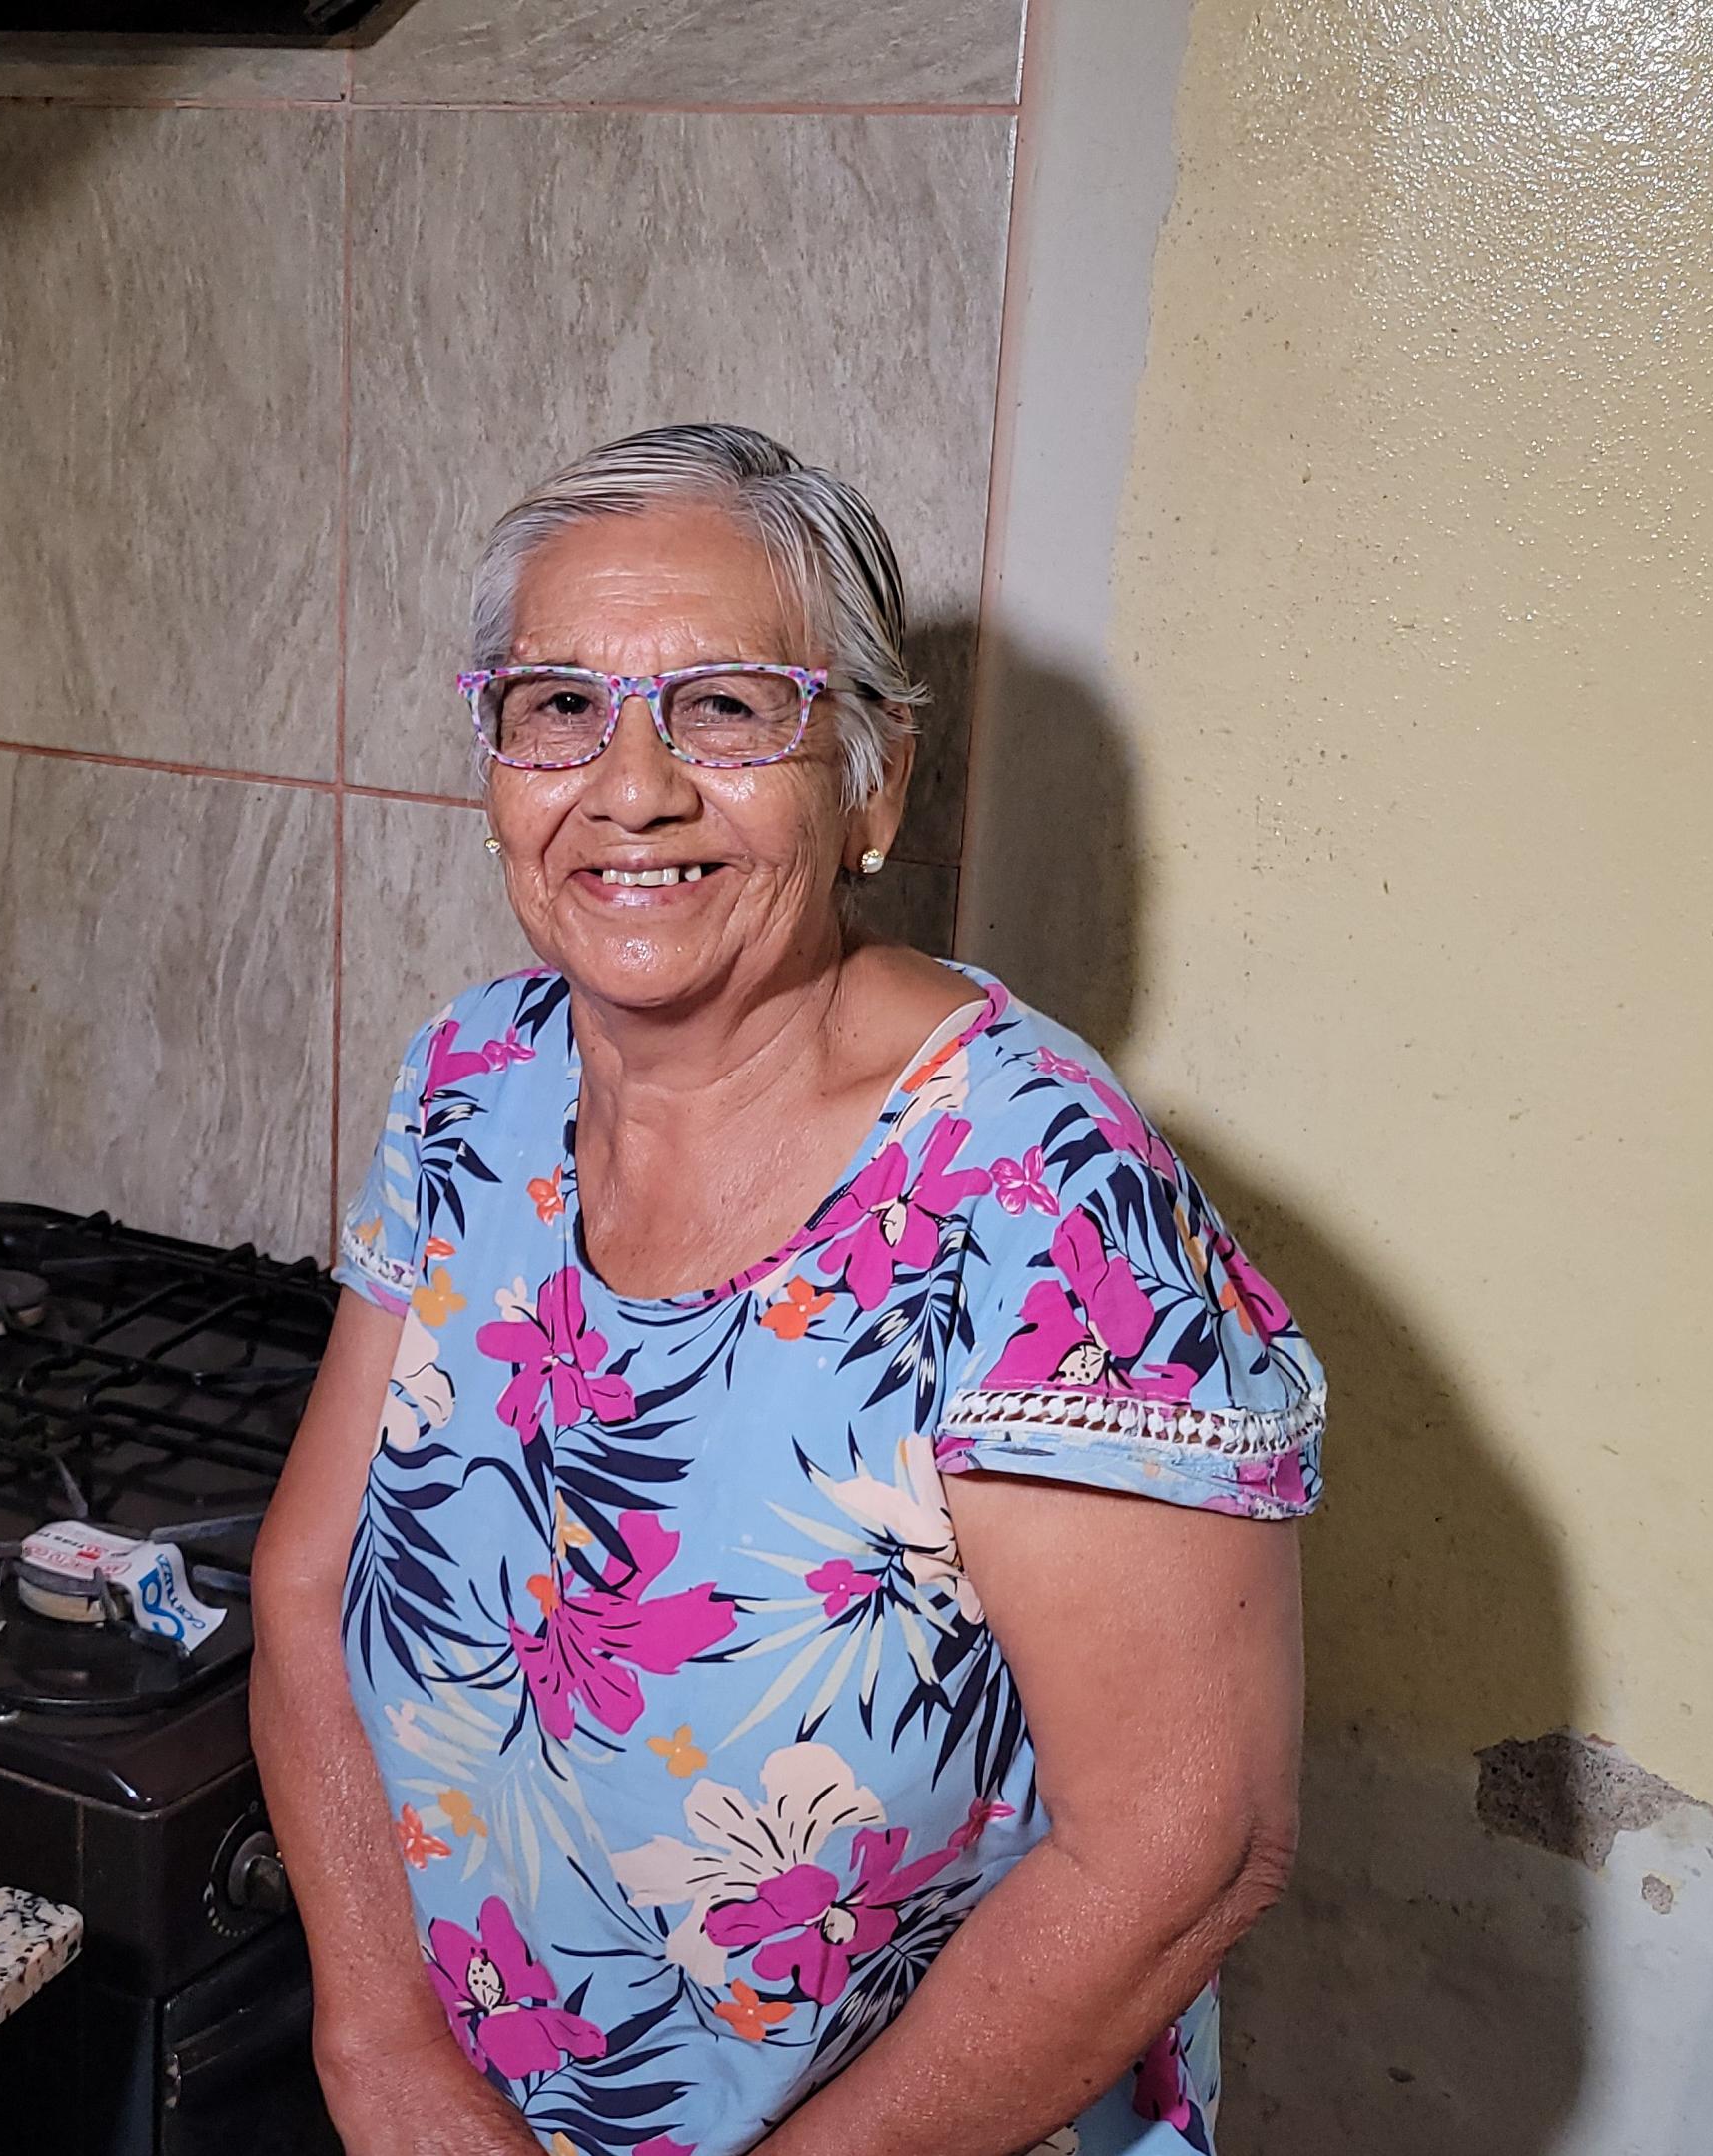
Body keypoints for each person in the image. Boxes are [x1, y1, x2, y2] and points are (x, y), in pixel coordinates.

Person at [250, 424, 1323, 2156]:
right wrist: (382, 2055)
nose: (632, 788)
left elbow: (1184, 1853)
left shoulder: (1040, 1196)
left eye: (729, 709)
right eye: (559, 706)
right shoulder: (473, 1080)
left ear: (874, 786)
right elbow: (307, 1588)